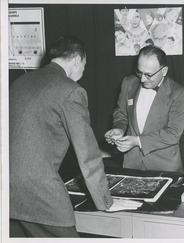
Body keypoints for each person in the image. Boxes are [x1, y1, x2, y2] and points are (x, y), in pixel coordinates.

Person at [9, 35, 140, 237]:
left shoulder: (20, 81)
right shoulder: (71, 91)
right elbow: (87, 155)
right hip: (38, 194)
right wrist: (106, 202)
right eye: (84, 65)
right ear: (77, 60)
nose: (83, 71)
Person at [105, 45, 184, 172]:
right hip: (132, 164)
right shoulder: (128, 83)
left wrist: (137, 141)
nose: (142, 79)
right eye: (139, 72)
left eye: (149, 75)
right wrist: (119, 128)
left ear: (164, 71)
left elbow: (173, 134)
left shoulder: (178, 93)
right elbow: (121, 113)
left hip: (164, 166)